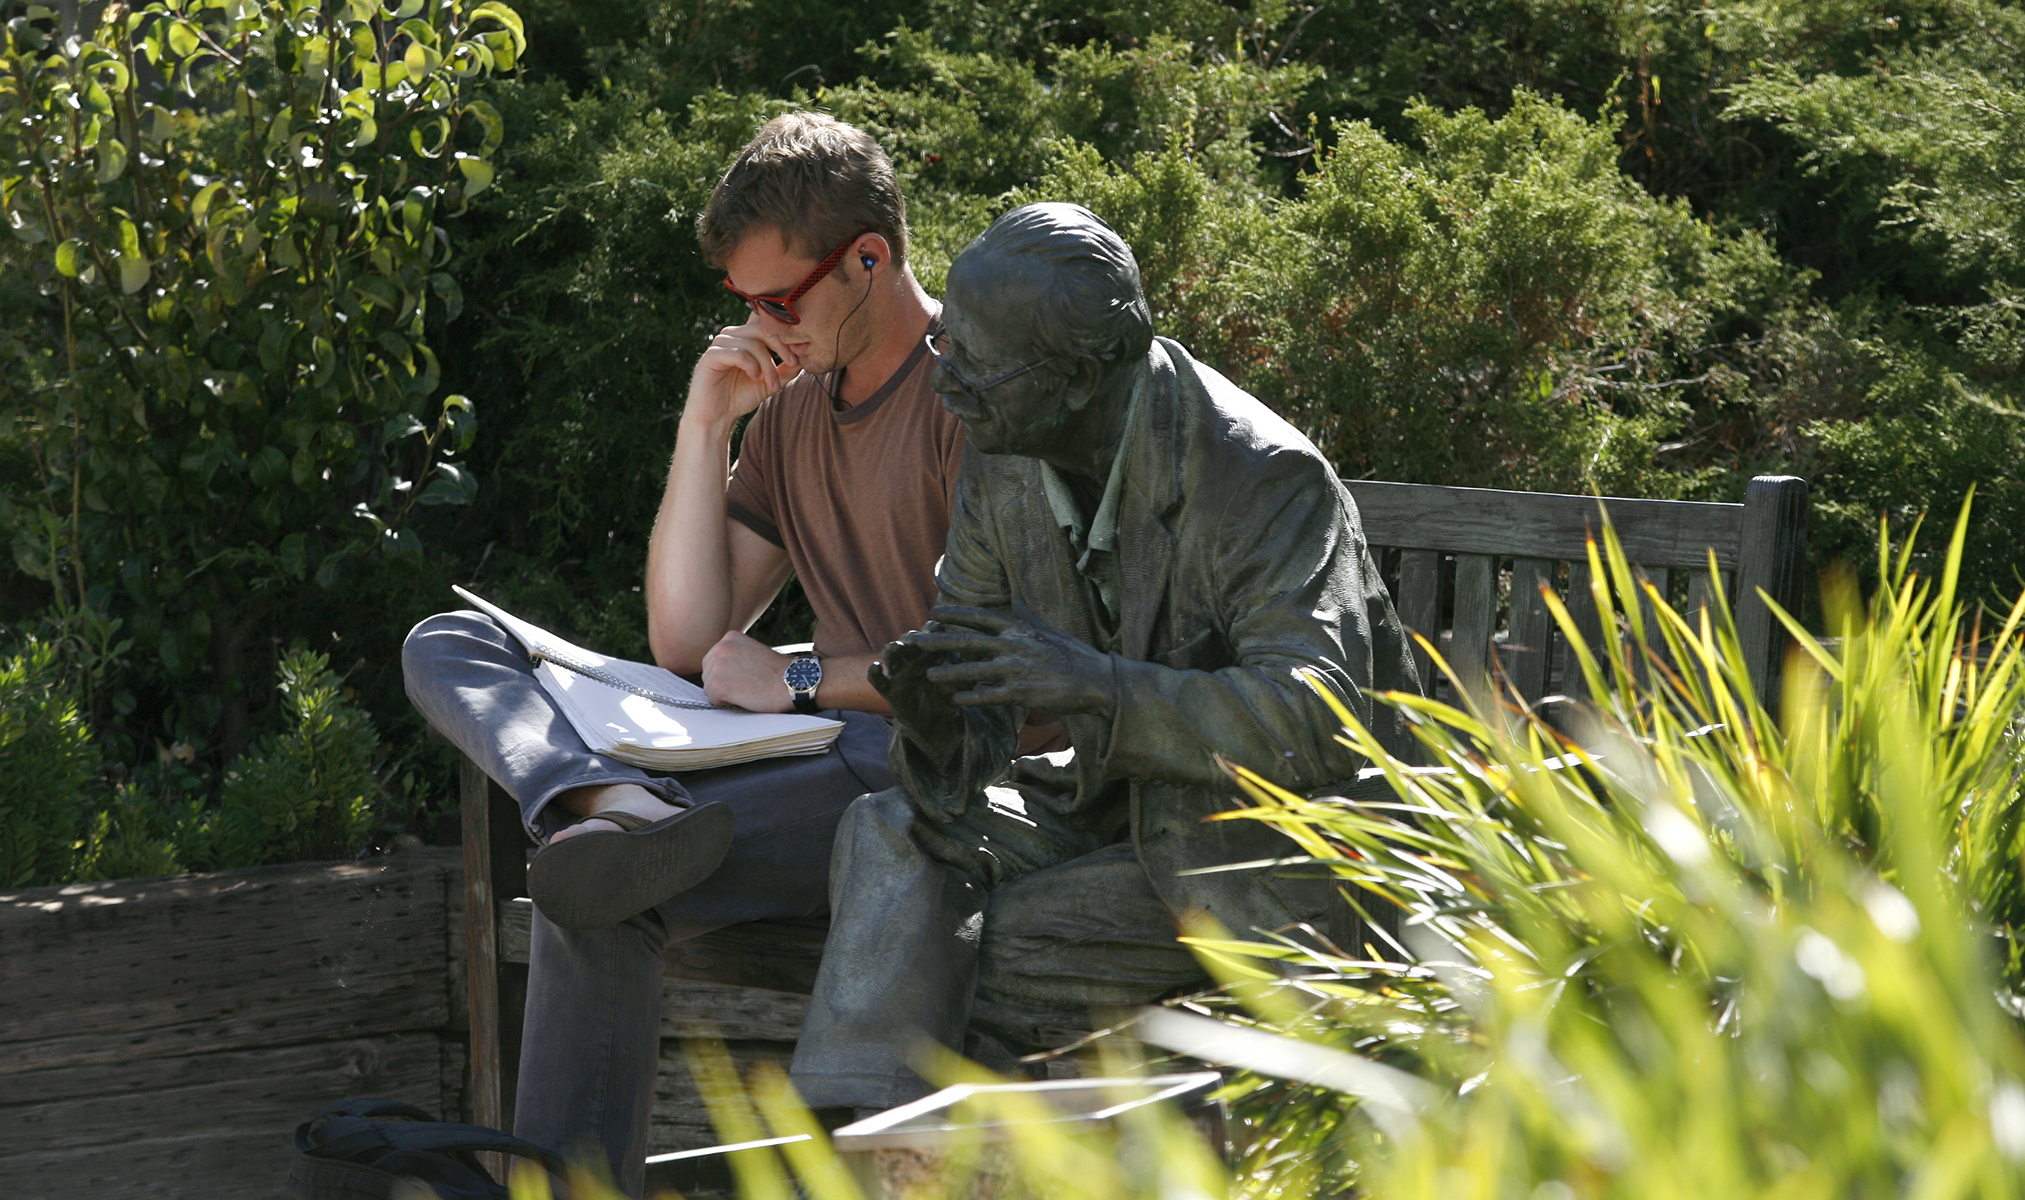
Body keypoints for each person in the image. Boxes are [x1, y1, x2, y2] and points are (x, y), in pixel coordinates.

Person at [401, 112, 961, 1196]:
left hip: (915, 773)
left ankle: (612, 834)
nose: (763, 326)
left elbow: (1006, 674)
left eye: (778, 302)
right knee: (453, 640)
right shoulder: (793, 412)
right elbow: (687, 637)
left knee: (596, 893)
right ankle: (613, 803)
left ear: (869, 258)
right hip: (800, 749)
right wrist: (705, 427)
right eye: (743, 305)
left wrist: (794, 675)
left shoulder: (971, 399)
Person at [786, 202, 1420, 1112]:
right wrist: (937, 713)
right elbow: (971, 704)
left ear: (1079, 377)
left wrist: (1097, 687)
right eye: (945, 347)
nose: (944, 381)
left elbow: (1316, 716)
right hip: (1104, 816)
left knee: (955, 956)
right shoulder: (1005, 454)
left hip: (1268, 847)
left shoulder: (1259, 477)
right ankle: (850, 1145)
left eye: (975, 363)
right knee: (888, 831)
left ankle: (873, 1154)